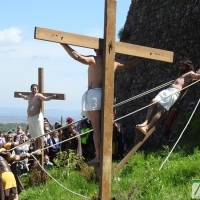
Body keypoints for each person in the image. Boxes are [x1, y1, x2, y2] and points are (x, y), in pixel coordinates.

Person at [60, 43, 143, 163]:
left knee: (97, 128)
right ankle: (106, 155)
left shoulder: (94, 59)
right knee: (106, 127)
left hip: (94, 94)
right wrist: (142, 57)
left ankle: (98, 156)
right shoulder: (113, 61)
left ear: (96, 49)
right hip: (107, 94)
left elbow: (77, 56)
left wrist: (63, 44)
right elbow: (129, 63)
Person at [137, 59, 200, 133]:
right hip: (168, 90)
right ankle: (146, 122)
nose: (182, 67)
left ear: (188, 66)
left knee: (160, 110)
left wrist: (198, 74)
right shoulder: (183, 75)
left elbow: (197, 76)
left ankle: (147, 127)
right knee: (153, 101)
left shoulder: (191, 73)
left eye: (183, 65)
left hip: (174, 92)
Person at [18, 84, 57, 153]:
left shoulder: (38, 95)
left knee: (40, 133)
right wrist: (20, 95)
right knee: (33, 134)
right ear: (30, 89)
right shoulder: (30, 96)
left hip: (37, 116)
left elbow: (45, 98)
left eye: (35, 89)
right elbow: (25, 97)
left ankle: (39, 147)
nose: (34, 90)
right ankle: (36, 147)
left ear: (37, 89)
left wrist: (52, 96)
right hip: (30, 117)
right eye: (33, 88)